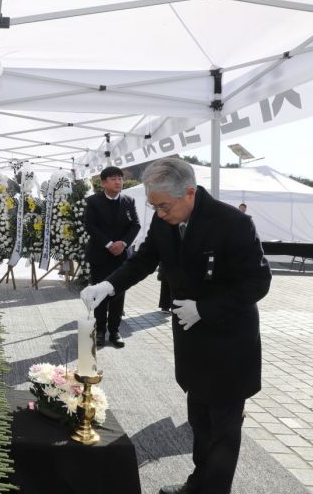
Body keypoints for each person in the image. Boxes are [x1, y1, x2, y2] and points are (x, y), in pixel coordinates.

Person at [81, 157, 271, 494]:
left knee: (223, 429)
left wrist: (205, 309)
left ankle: (213, 490)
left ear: (189, 192)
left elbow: (258, 282)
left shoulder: (233, 222)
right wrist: (108, 286)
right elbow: (143, 261)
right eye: (155, 207)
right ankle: (199, 483)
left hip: (230, 342)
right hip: (191, 340)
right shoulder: (163, 219)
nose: (160, 214)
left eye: (164, 207)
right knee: (199, 420)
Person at [84, 166, 140, 348]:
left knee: (118, 293)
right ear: (104, 182)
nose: (118, 182)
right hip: (100, 254)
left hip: (121, 255)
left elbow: (136, 225)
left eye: (120, 178)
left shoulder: (128, 200)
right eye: (114, 178)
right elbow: (90, 226)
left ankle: (114, 331)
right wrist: (108, 244)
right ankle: (100, 330)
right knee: (99, 293)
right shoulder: (93, 201)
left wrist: (123, 243)